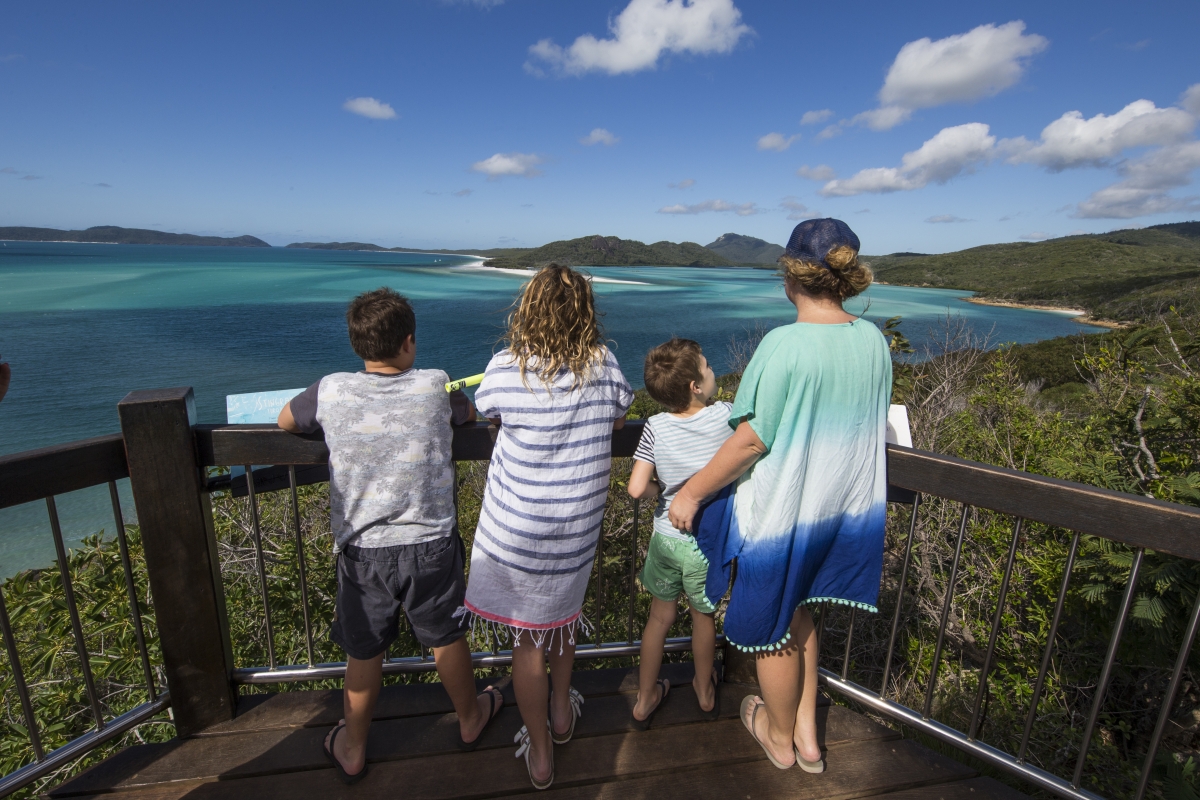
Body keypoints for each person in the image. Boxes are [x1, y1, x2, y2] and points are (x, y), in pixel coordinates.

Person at [669, 219, 891, 774]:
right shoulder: (873, 340)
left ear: (791, 277)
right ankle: (809, 736)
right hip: (838, 510)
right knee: (802, 612)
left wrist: (692, 492)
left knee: (769, 628)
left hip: (782, 513)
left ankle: (778, 735)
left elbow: (749, 441)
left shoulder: (784, 344)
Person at [277, 287, 503, 784]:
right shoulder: (433, 386)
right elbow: (463, 415)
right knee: (446, 636)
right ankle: (470, 718)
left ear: (358, 344)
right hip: (431, 544)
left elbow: (287, 420)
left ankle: (353, 745)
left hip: (363, 550)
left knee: (364, 650)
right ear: (409, 342)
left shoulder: (331, 388)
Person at [459, 264, 633, 790]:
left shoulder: (507, 366)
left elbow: (485, 409)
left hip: (517, 532)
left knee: (527, 644)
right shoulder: (603, 366)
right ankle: (561, 714)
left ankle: (539, 751)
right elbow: (622, 415)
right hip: (574, 530)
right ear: (585, 313)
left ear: (528, 310)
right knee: (560, 620)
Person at [627, 338, 731, 729]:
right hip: (705, 540)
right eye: (707, 367)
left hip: (665, 537)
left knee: (659, 618)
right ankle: (704, 692)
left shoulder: (655, 426)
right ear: (695, 385)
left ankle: (644, 698)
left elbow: (637, 488)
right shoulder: (725, 416)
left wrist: (663, 492)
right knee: (702, 617)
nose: (712, 371)